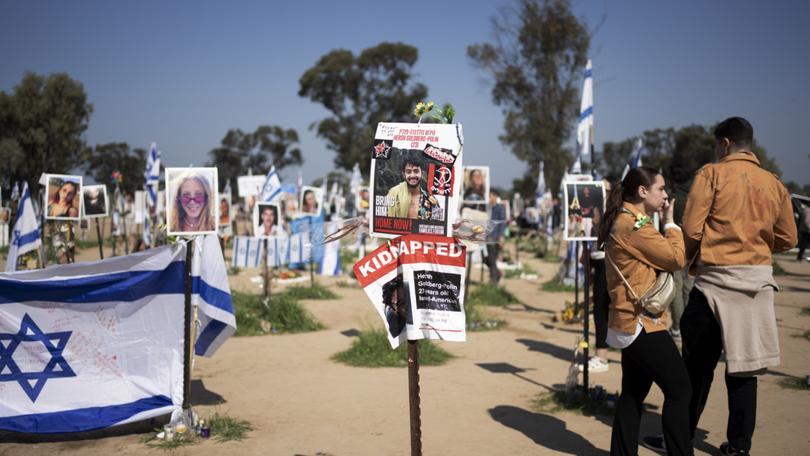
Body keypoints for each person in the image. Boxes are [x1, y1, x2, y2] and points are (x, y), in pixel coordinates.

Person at [678, 117, 797, 456]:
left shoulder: (711, 174)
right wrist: (753, 243)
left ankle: (681, 437)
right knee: (744, 371)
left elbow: (691, 227)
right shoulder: (773, 183)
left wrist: (689, 260)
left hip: (714, 283)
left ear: (725, 144)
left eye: (717, 146)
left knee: (696, 368)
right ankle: (740, 447)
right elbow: (788, 237)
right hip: (755, 286)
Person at [597, 166, 692, 456]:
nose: (665, 195)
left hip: (630, 322)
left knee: (633, 394)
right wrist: (671, 224)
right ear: (642, 191)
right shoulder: (633, 225)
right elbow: (676, 258)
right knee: (680, 390)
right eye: (660, 189)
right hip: (642, 322)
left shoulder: (627, 219)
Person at [485, 190, 506, 284]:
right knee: (489, 259)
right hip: (487, 237)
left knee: (492, 259)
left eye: (490, 196)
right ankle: (497, 274)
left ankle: (494, 280)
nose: (489, 198)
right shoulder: (487, 208)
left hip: (495, 237)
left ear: (495, 197)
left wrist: (501, 237)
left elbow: (502, 223)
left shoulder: (499, 208)